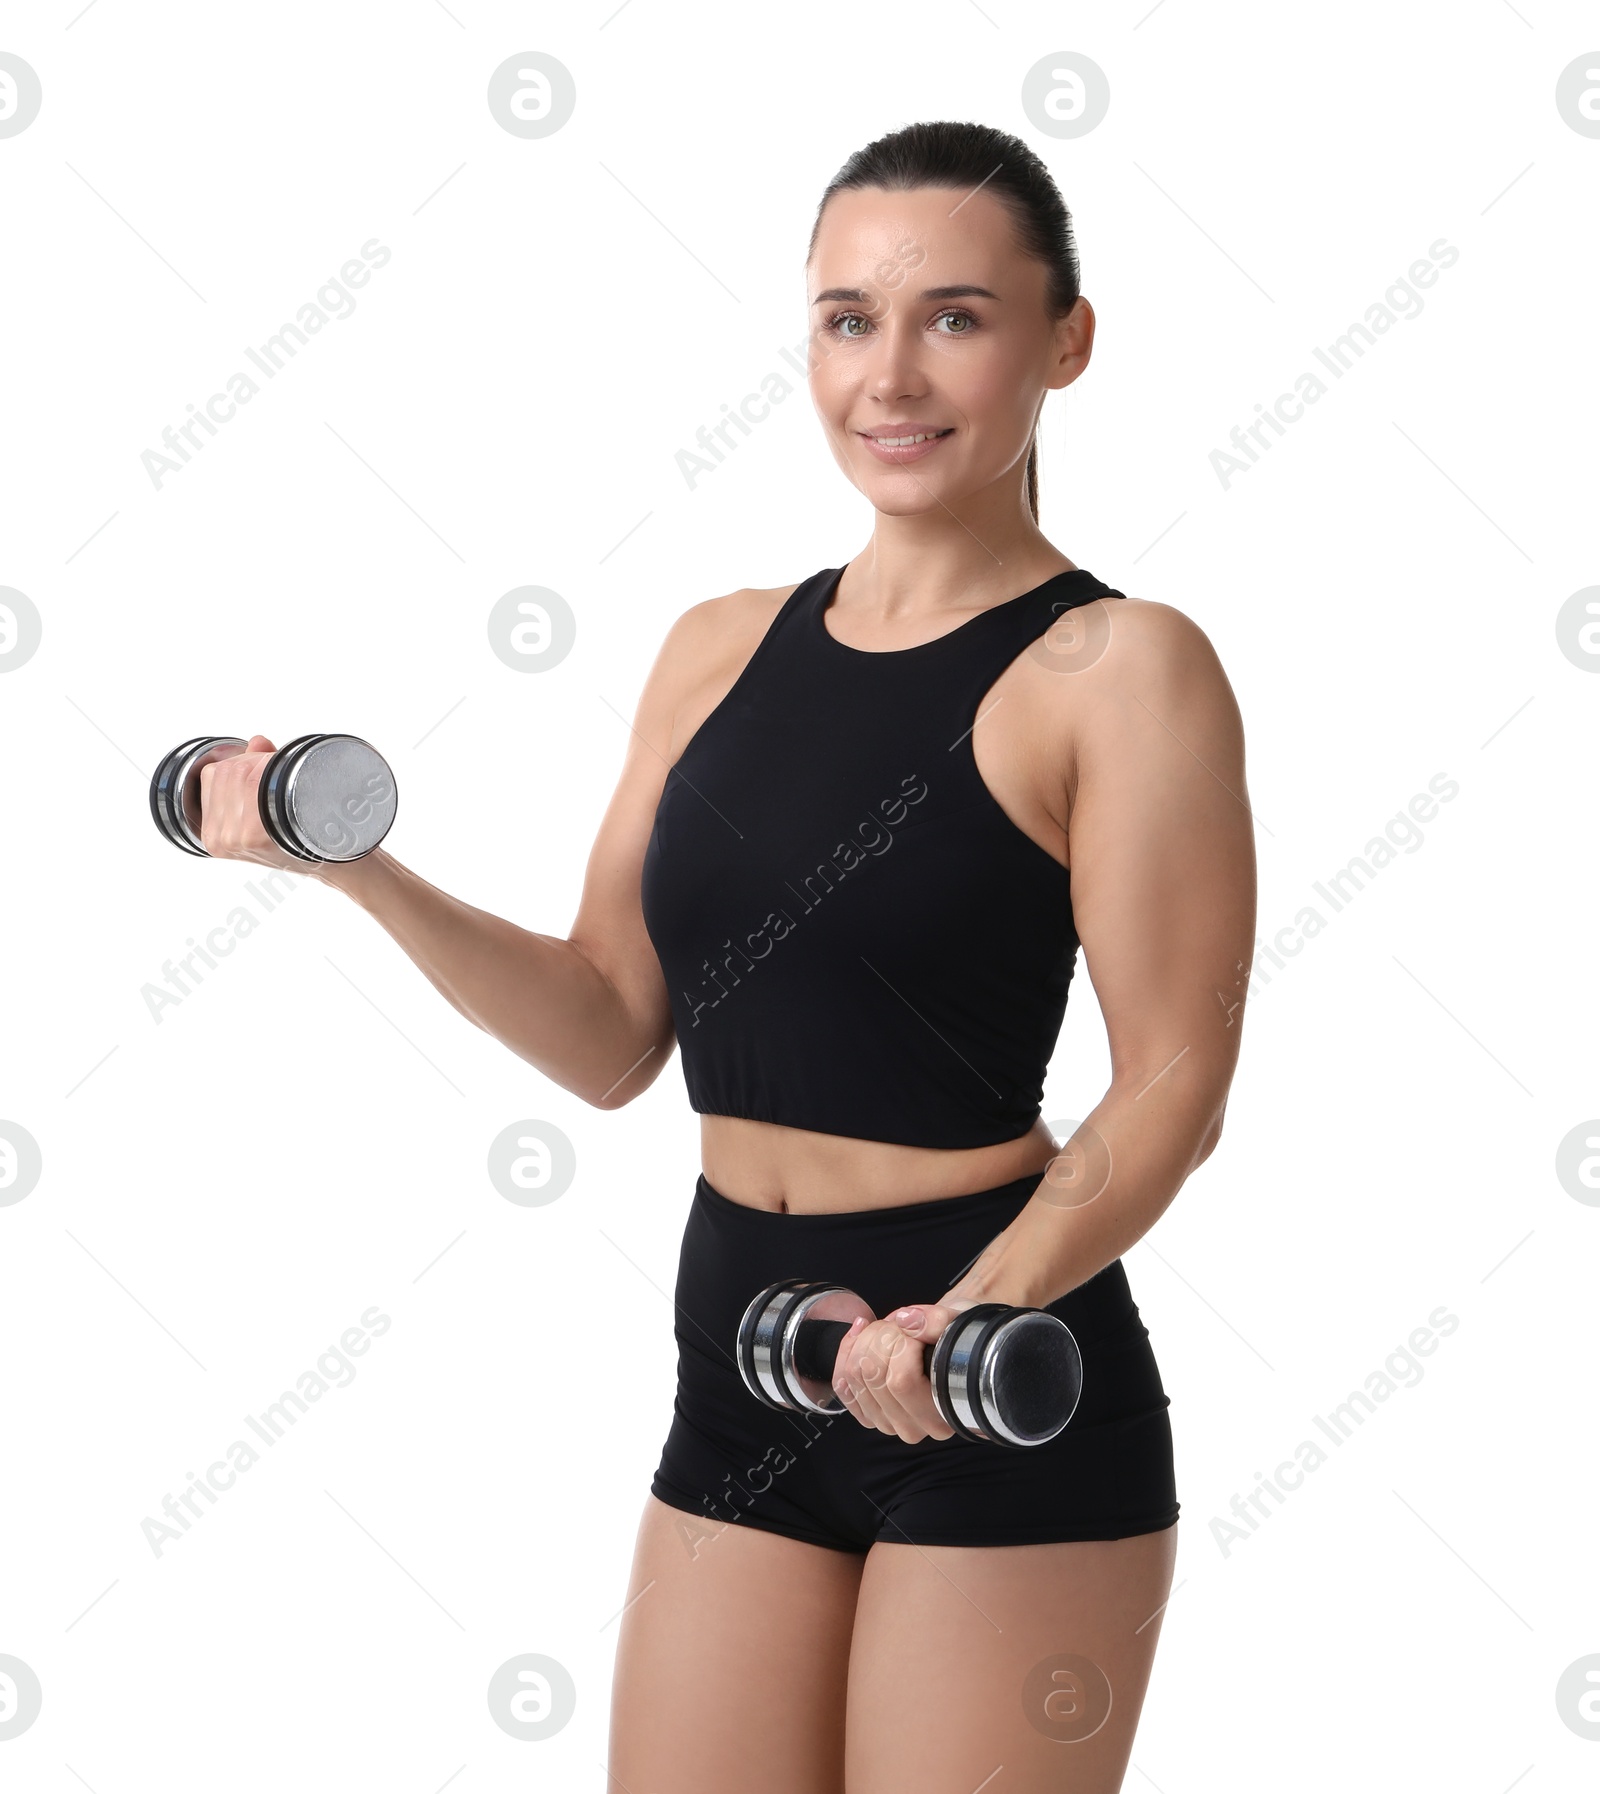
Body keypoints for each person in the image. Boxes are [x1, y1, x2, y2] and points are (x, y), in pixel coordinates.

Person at [196, 119, 1255, 1794]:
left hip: (986, 1373)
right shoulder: (716, 647)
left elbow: (1177, 1082)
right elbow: (614, 1032)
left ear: (1069, 340)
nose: (890, 375)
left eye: (956, 318)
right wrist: (360, 871)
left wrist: (965, 1309)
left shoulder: (1119, 669)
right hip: (739, 1362)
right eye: (849, 318)